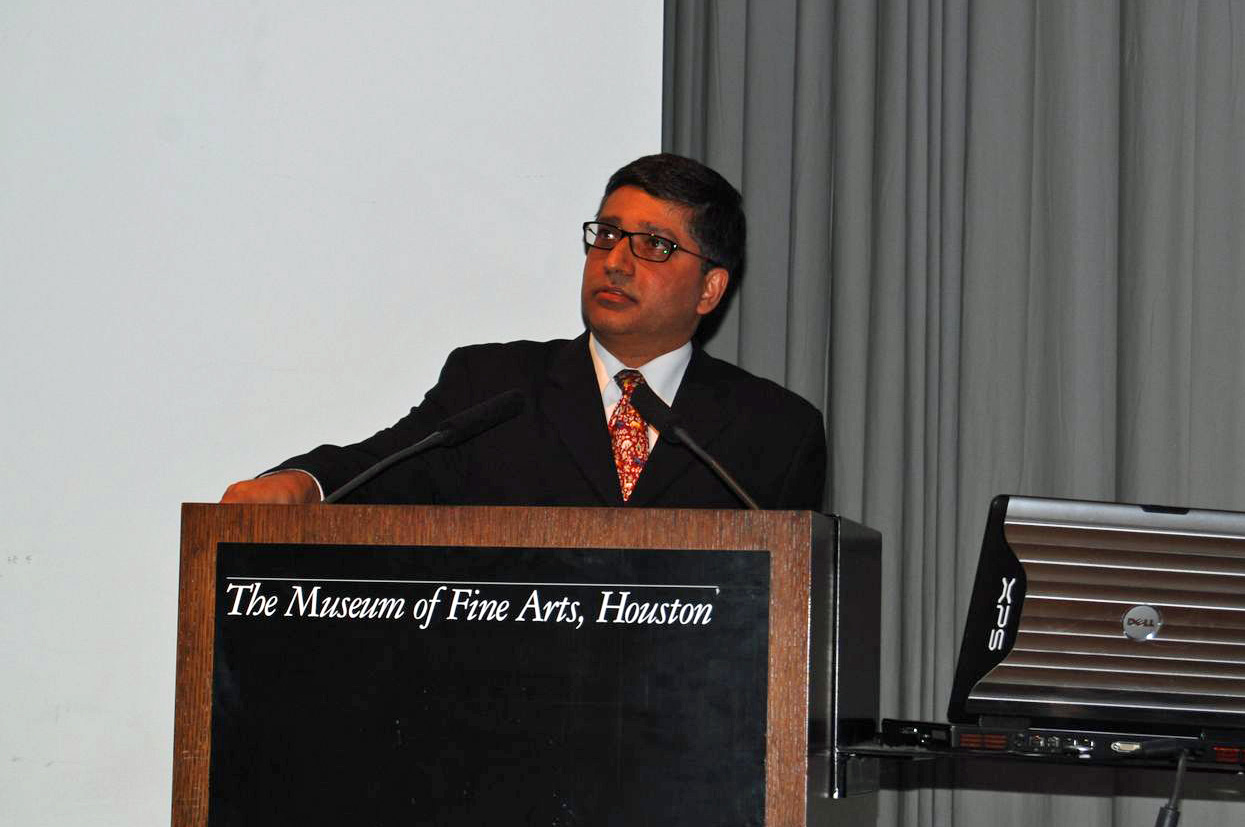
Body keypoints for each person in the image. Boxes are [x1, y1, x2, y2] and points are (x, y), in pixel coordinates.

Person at [220, 153, 825, 509]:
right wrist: (303, 484)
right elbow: (381, 466)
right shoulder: (493, 388)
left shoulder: (774, 430)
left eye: (654, 245)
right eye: (608, 235)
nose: (615, 260)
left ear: (710, 288)